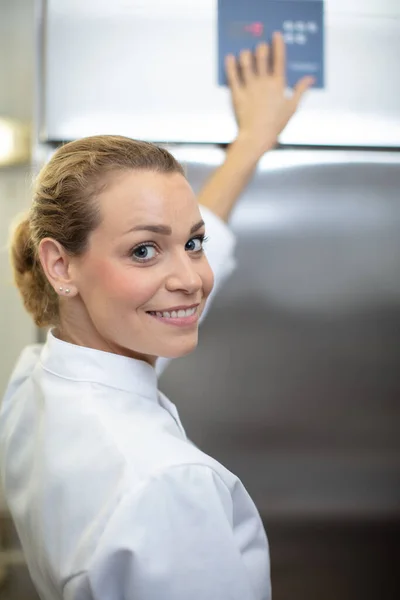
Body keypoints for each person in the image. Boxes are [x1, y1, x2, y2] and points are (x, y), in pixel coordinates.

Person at [0, 35, 313, 600]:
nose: (191, 278)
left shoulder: (37, 385)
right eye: (143, 250)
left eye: (193, 243)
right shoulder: (167, 488)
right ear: (59, 265)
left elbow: (157, 292)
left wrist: (250, 144)